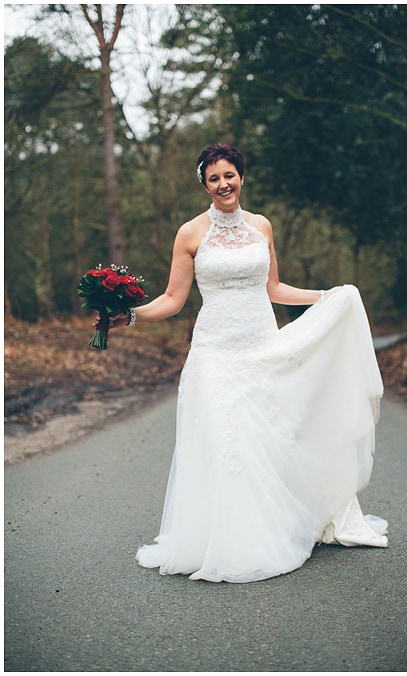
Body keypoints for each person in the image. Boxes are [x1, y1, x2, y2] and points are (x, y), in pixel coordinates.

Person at [103, 143, 388, 583]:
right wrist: (134, 315)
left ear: (242, 176)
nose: (223, 184)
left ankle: (278, 527)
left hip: (261, 344)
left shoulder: (262, 227)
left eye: (229, 175)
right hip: (215, 350)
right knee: (228, 443)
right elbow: (175, 299)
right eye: (214, 178)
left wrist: (325, 296)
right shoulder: (190, 233)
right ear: (204, 184)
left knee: (269, 437)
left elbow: (273, 288)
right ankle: (230, 540)